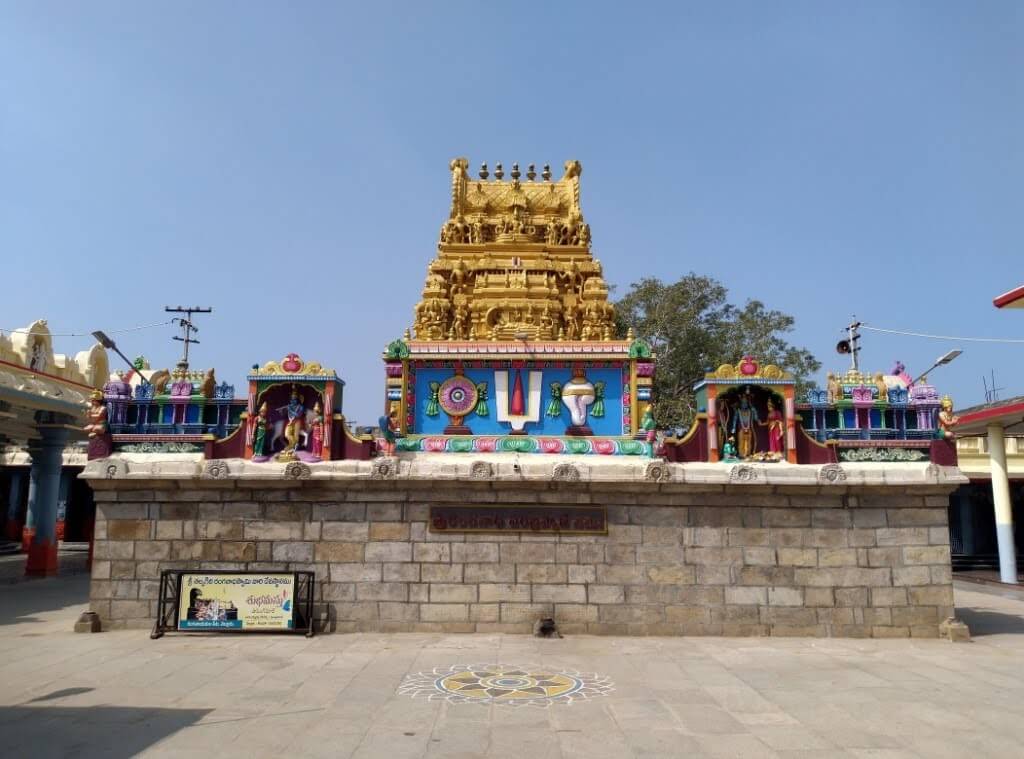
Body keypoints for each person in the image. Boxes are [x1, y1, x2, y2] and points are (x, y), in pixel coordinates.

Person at [731, 391, 759, 459]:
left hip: (749, 428)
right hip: (741, 429)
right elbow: (735, 419)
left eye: (746, 403)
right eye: (743, 403)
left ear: (747, 403)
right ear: (741, 403)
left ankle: (748, 454)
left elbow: (756, 418)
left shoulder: (750, 411)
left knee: (749, 442)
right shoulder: (738, 411)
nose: (744, 404)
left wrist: (754, 410)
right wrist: (733, 427)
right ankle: (741, 454)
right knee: (741, 442)